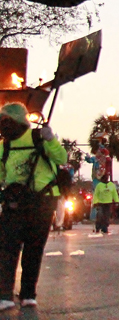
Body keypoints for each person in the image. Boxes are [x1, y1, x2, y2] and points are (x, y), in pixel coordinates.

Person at [0, 103, 67, 310]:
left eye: (6, 121)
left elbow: (61, 158)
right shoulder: (4, 145)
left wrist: (51, 139)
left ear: (18, 121)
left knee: (18, 249)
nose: (3, 126)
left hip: (40, 201)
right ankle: (15, 294)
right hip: (19, 202)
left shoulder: (38, 138)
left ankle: (19, 294)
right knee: (19, 249)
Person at [92, 169, 119, 234]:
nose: (106, 179)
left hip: (108, 203)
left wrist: (116, 201)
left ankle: (105, 228)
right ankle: (98, 227)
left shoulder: (111, 185)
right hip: (100, 203)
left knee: (106, 216)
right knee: (100, 215)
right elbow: (96, 194)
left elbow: (114, 193)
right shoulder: (99, 185)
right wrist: (95, 202)